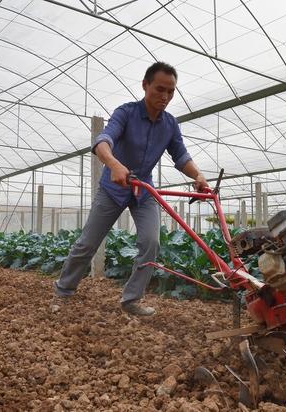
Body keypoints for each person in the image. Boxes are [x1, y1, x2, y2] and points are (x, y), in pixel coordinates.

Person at [53, 62, 208, 316]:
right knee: (87, 244)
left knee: (151, 242)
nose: (165, 97)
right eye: (159, 89)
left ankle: (131, 300)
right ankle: (63, 290)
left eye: (171, 92)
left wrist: (198, 176)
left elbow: (180, 156)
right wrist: (114, 164)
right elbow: (103, 141)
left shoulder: (170, 124)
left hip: (144, 190)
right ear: (145, 85)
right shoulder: (126, 113)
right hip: (113, 189)